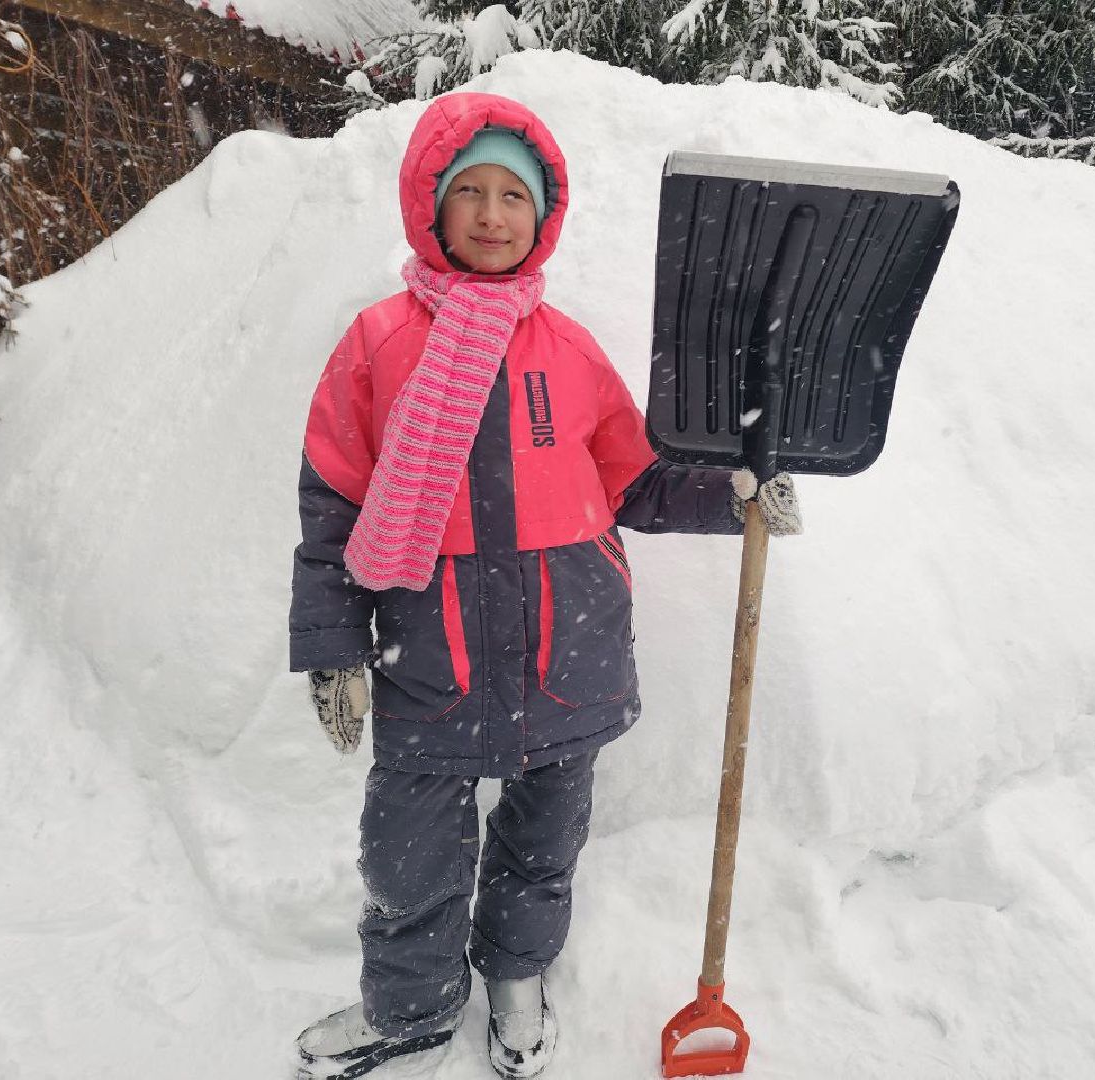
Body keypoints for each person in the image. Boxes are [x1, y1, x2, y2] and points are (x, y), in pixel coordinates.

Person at [288, 92, 801, 1080]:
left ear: (543, 214)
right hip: (429, 656)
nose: (491, 213)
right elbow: (334, 504)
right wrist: (333, 646)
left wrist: (734, 488)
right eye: (469, 191)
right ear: (430, 206)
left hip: (570, 652)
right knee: (407, 854)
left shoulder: (567, 350)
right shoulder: (379, 343)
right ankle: (411, 1010)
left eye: (513, 195)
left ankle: (517, 978)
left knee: (543, 843)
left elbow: (637, 480)